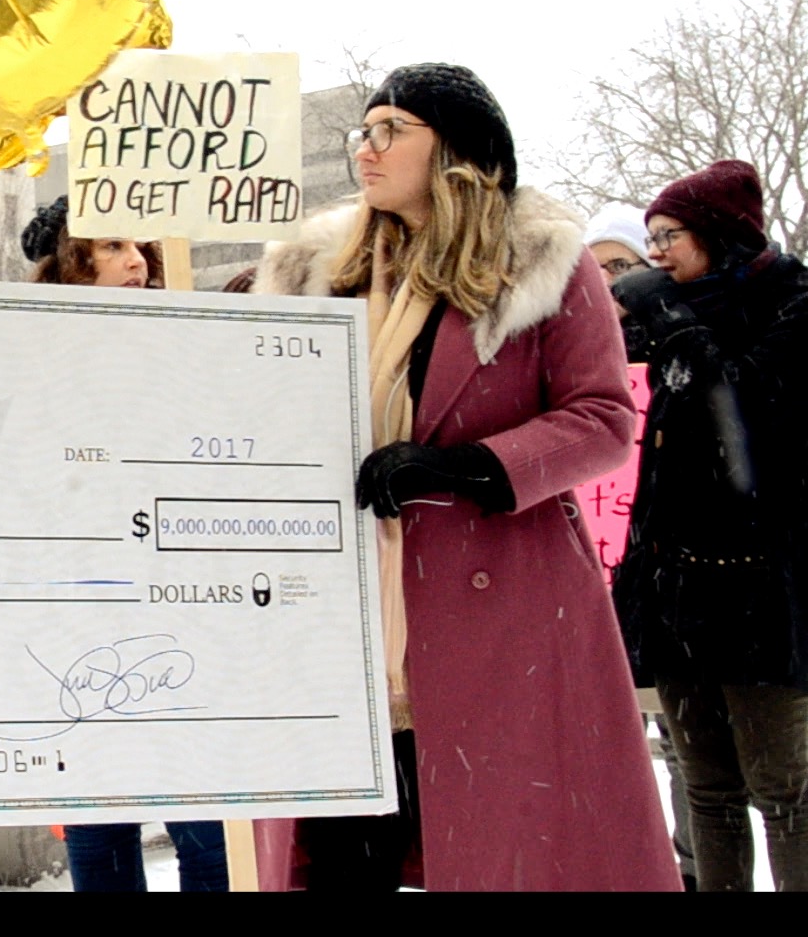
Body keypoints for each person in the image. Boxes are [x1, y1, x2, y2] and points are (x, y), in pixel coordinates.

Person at [249, 63, 679, 891]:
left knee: (497, 848)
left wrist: (468, 467)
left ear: (453, 147)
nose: (364, 151)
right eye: (360, 133)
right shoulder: (312, 269)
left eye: (388, 131)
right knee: (340, 855)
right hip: (337, 618)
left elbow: (603, 420)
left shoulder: (543, 263)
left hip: (499, 616)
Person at [19, 197, 230, 892]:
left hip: (182, 610)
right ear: (68, 267)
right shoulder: (27, 360)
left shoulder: (189, 347)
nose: (136, 259)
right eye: (110, 245)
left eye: (140, 244)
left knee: (207, 822)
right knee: (100, 822)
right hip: (75, 617)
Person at [609, 160, 808, 892]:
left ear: (720, 235)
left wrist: (669, 321)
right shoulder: (674, 321)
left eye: (669, 236)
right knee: (707, 789)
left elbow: (740, 406)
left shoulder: (793, 302)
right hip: (677, 596)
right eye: (650, 237)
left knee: (783, 790)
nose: (655, 253)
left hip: (761, 598)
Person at [583, 208, 698, 891]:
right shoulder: (569, 348)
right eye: (593, 271)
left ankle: (688, 868)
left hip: (670, 574)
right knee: (611, 742)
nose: (608, 286)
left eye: (620, 267)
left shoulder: (685, 343)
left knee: (685, 746)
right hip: (596, 577)